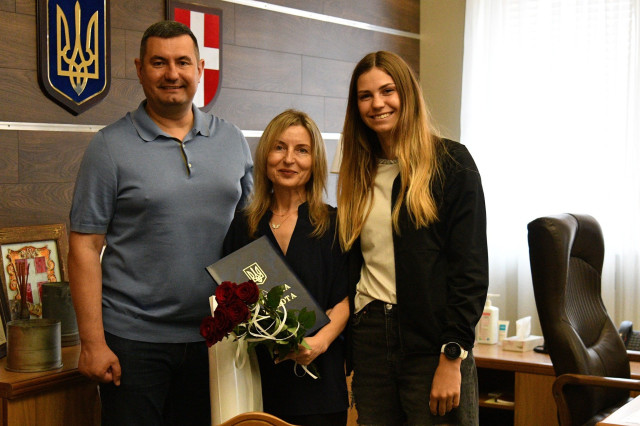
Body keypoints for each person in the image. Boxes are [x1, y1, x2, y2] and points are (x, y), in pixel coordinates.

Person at [68, 21, 253, 426]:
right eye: (159, 63)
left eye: (183, 62)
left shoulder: (232, 140)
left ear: (199, 69)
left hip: (216, 337)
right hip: (133, 342)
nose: (172, 73)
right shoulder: (108, 147)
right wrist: (92, 342)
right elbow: (84, 246)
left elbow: (252, 234)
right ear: (139, 69)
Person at [337, 51, 489, 426]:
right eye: (365, 96)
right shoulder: (359, 171)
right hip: (371, 338)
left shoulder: (452, 163)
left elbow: (470, 270)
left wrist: (452, 355)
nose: (377, 104)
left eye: (387, 91)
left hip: (432, 344)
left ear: (407, 93)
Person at [223, 109, 350, 426]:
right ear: (265, 156)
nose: (289, 159)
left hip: (318, 384)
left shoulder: (334, 224)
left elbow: (346, 299)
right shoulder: (244, 225)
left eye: (302, 150)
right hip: (257, 384)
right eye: (279, 147)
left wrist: (318, 343)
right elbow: (228, 295)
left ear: (315, 161)